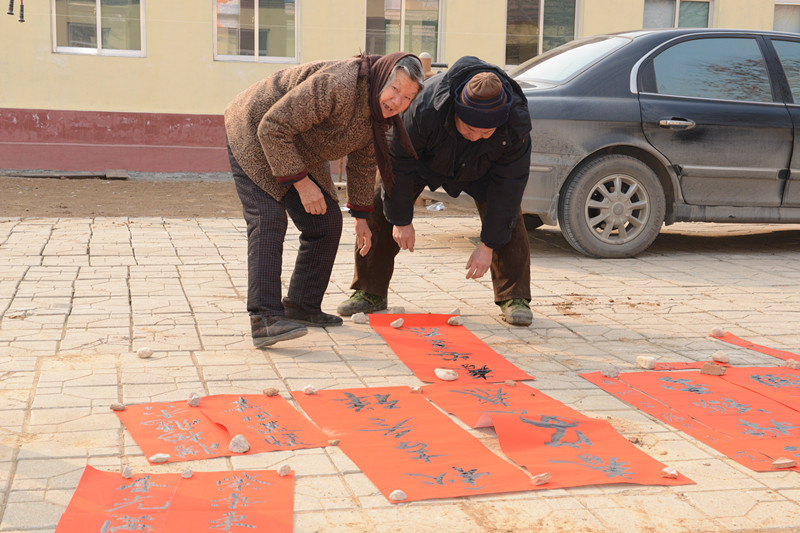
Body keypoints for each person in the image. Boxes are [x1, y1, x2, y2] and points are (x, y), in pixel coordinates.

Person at [225, 52, 424, 348]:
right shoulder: (337, 85)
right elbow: (273, 127)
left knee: (327, 223)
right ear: (382, 78)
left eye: (407, 98)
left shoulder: (377, 114)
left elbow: (363, 164)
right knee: (268, 219)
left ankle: (302, 305)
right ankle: (264, 318)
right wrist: (302, 184)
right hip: (255, 128)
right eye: (395, 89)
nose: (398, 102)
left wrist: (361, 220)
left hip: (298, 142)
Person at [337, 56, 534, 326]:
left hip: (484, 169)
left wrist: (487, 244)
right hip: (423, 161)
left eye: (486, 132)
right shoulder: (426, 106)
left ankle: (515, 296)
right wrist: (401, 220)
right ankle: (369, 291)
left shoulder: (516, 125)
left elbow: (509, 188)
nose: (476, 136)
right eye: (469, 128)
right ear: (455, 110)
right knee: (380, 204)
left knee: (509, 215)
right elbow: (398, 162)